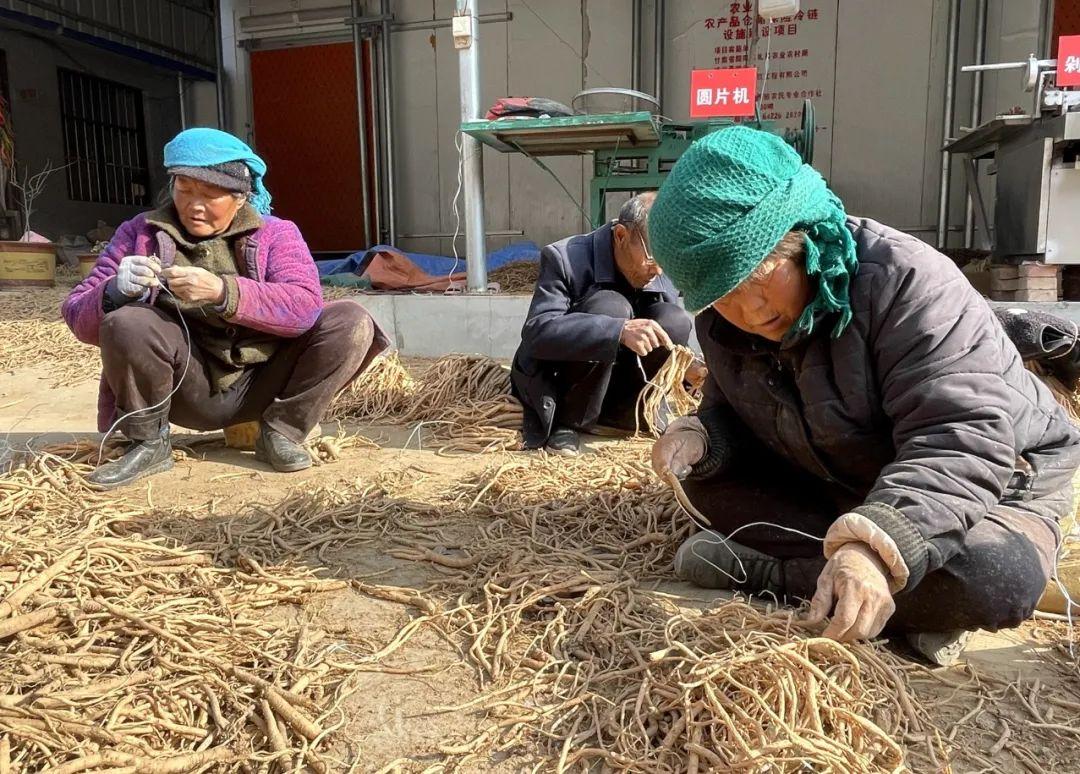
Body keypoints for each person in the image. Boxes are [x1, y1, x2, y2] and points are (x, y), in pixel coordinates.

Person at [646, 126, 1080, 665]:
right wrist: (702, 435)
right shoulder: (723, 323)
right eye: (725, 296)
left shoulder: (910, 283)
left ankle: (775, 572)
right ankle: (909, 601)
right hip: (846, 469)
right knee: (707, 483)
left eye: (760, 278)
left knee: (997, 579)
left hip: (993, 476)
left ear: (802, 236)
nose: (750, 312)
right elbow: (737, 407)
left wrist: (874, 547)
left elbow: (960, 438)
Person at [63, 128, 388, 489]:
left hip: (263, 381)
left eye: (210, 195)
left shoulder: (276, 234)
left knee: (351, 321)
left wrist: (223, 292)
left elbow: (304, 307)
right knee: (127, 322)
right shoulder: (140, 233)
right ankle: (147, 442)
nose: (194, 205)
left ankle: (282, 431)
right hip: (185, 386)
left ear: (240, 199)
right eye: (184, 189)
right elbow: (78, 316)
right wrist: (114, 291)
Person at [511, 193, 694, 455]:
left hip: (623, 388)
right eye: (653, 259)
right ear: (620, 236)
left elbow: (671, 333)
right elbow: (537, 332)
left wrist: (689, 365)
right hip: (566, 386)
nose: (659, 272)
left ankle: (631, 413)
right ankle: (569, 422)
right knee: (609, 308)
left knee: (674, 321)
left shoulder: (658, 267)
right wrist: (617, 331)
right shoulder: (564, 258)